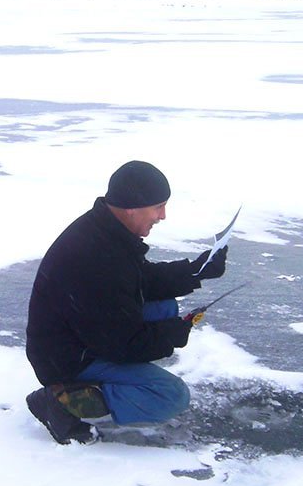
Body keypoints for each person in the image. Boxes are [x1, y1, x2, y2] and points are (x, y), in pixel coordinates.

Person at [25, 161, 228, 445]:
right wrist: (172, 333)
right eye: (158, 207)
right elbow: (121, 344)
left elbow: (139, 278)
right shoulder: (95, 257)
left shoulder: (106, 230)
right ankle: (63, 402)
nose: (163, 216)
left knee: (165, 308)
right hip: (66, 359)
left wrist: (195, 271)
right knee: (171, 395)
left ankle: (108, 381)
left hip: (80, 336)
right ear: (133, 206)